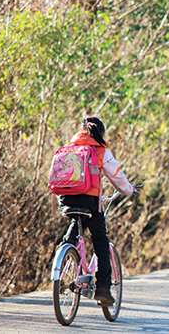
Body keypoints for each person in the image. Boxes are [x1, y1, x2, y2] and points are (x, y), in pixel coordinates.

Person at [58, 116, 134, 306]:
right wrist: (129, 190)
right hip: (91, 203)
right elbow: (117, 177)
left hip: (66, 200)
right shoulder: (100, 151)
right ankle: (103, 289)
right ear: (100, 133)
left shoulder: (69, 148)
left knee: (75, 227)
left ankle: (62, 262)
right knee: (101, 242)